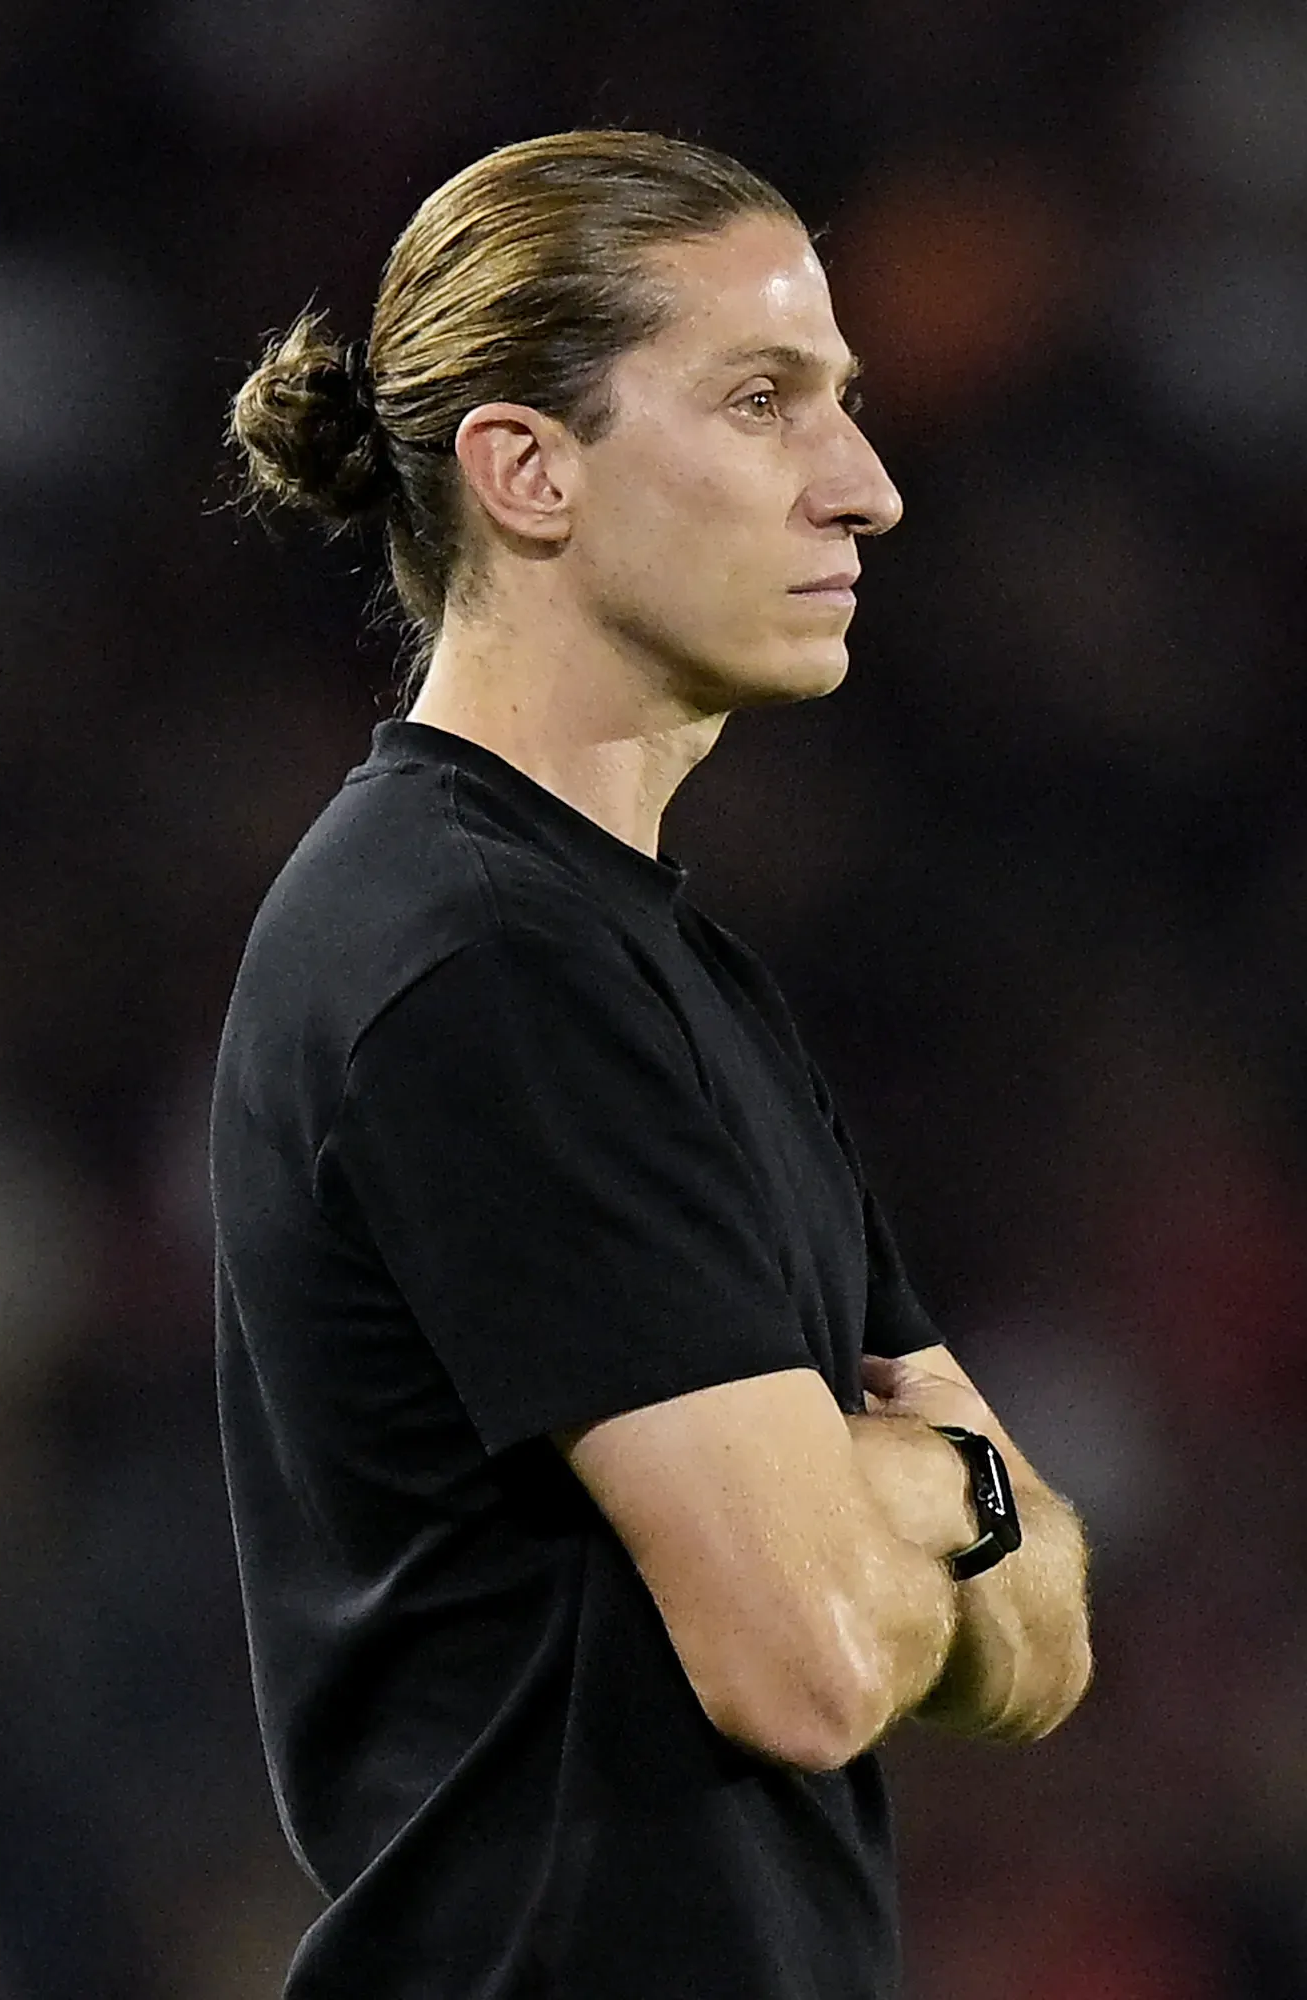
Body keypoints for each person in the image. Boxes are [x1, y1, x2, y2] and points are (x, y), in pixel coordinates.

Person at [207, 130, 1093, 2000]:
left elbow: (1046, 1653)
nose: (865, 489)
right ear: (528, 471)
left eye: (841, 403)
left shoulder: (652, 961)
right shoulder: (475, 964)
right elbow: (814, 1662)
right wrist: (950, 1487)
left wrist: (914, 1503)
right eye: (763, 400)